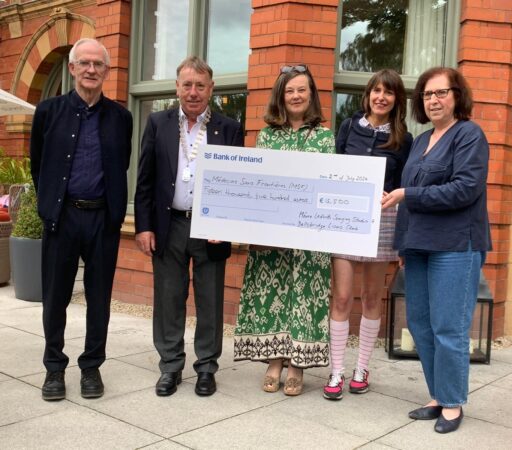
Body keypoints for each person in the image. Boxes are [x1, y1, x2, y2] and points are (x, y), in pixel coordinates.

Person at [382, 67, 491, 434]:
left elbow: (465, 189)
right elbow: (406, 198)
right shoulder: (421, 140)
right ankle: (438, 394)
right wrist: (402, 243)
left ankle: (453, 402)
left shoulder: (469, 135)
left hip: (456, 246)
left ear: (457, 95)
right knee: (421, 325)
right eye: (428, 95)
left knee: (449, 328)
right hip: (418, 246)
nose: (434, 100)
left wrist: (408, 195)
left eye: (441, 93)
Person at [30, 38, 133, 401]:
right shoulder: (48, 111)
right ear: (72, 68)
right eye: (84, 63)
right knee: (55, 297)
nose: (91, 70)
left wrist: (114, 213)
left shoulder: (122, 117)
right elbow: (38, 166)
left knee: (99, 298)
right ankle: (54, 369)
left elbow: (120, 166)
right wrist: (49, 207)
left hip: (102, 221)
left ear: (106, 71)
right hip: (62, 218)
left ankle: (91, 367)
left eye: (98, 64)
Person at [134, 56, 244, 397]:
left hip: (210, 226)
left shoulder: (228, 128)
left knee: (210, 299)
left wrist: (226, 222)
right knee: (169, 298)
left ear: (211, 89)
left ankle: (207, 368)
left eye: (200, 85)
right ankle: (170, 367)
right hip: (170, 224)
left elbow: (236, 182)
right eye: (187, 85)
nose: (193, 92)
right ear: (177, 87)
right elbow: (145, 180)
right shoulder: (158, 123)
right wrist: (143, 226)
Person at [233, 64, 334, 396]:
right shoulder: (267, 136)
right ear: (281, 95)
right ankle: (274, 360)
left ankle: (297, 364)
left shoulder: (324, 136)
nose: (296, 96)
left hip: (309, 236)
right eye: (290, 90)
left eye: (302, 90)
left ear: (311, 95)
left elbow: (328, 185)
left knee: (304, 296)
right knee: (273, 293)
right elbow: (258, 185)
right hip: (272, 235)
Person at [323, 69, 413, 401]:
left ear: (396, 100)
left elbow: (404, 189)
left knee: (372, 298)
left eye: (388, 92)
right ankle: (336, 370)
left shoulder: (405, 139)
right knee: (343, 298)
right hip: (345, 218)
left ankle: (362, 367)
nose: (381, 97)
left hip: (384, 220)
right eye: (376, 91)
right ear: (368, 95)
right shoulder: (348, 127)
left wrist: (403, 235)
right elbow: (331, 171)